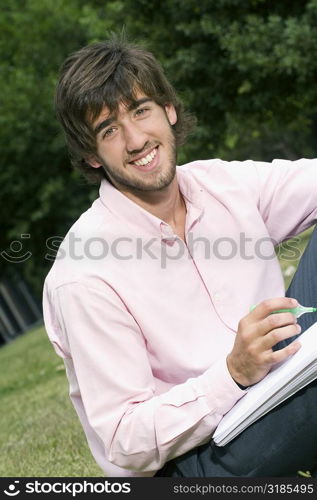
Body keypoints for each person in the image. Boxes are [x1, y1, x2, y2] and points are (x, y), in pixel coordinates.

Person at [42, 36, 317, 477]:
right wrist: (232, 374)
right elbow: (124, 440)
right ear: (92, 155)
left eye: (141, 110)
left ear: (168, 109)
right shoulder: (83, 275)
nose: (135, 140)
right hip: (196, 458)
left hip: (278, 383)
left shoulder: (221, 184)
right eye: (109, 131)